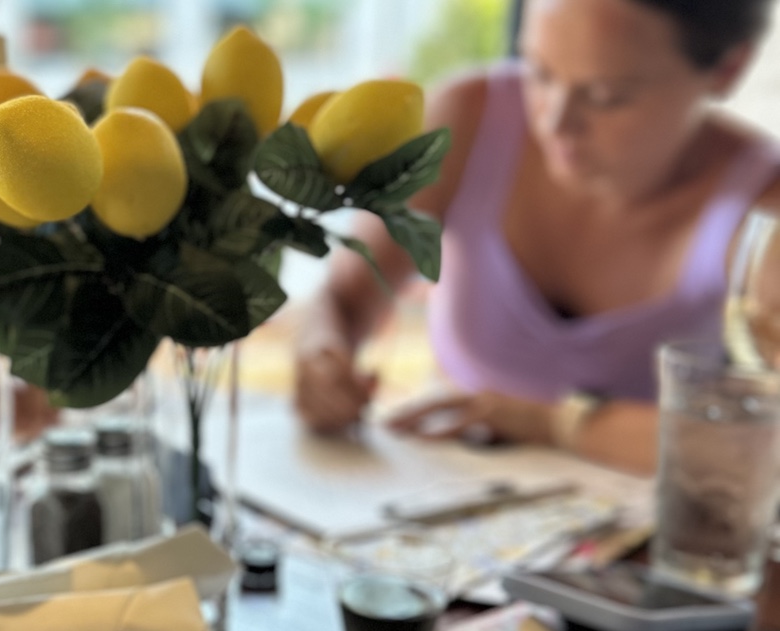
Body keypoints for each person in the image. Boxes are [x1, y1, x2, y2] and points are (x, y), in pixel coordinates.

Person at [294, 0, 780, 475]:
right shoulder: (467, 116)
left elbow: (768, 444)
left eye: (606, 95)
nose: (554, 122)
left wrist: (550, 423)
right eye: (539, 72)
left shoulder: (763, 210)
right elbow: (343, 300)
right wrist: (321, 351)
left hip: (637, 521)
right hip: (443, 488)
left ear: (728, 68)